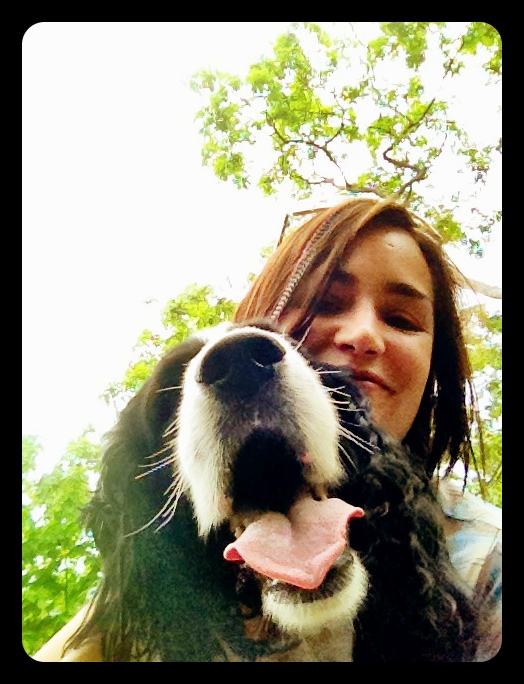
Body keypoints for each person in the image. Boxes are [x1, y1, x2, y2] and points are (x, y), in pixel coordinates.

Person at [31, 195, 501, 662]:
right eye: (325, 303)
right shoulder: (130, 607)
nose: (362, 335)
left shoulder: (486, 558)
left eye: (400, 319)